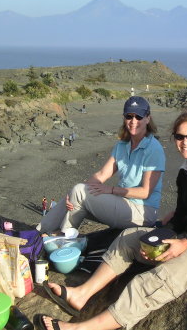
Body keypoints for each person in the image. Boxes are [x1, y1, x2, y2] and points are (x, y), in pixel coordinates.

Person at [37, 112, 187, 330]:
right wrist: (155, 240)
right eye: (179, 137)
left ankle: (80, 328)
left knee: (154, 279)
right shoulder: (185, 171)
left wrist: (184, 244)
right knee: (127, 239)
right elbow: (181, 216)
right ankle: (81, 294)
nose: (185, 142)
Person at [36, 96, 165, 234]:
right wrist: (74, 192)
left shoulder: (153, 149)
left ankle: (57, 239)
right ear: (124, 117)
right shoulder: (122, 145)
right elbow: (102, 175)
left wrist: (111, 190)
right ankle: (40, 233)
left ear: (147, 118)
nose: (133, 121)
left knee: (79, 192)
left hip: (142, 212)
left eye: (139, 117)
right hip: (122, 203)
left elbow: (145, 192)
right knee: (76, 192)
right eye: (129, 116)